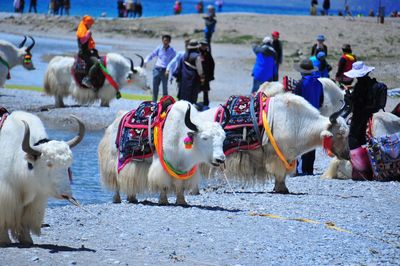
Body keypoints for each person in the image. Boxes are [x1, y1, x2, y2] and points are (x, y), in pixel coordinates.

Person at [343, 61, 376, 179]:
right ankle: (367, 164)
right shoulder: (370, 82)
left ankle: (358, 167)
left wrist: (347, 95)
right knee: (363, 138)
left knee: (353, 137)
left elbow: (354, 99)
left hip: (359, 114)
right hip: (368, 113)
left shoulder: (360, 84)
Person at [294, 59, 324, 176]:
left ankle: (300, 169)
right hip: (315, 116)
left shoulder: (301, 84)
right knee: (312, 142)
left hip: (303, 117)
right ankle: (309, 168)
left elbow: (297, 101)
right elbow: (321, 100)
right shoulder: (319, 83)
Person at [144, 35, 176, 102]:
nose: (165, 42)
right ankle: (154, 103)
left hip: (165, 71)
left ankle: (165, 104)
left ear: (169, 41)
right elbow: (152, 55)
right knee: (155, 88)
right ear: (162, 41)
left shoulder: (172, 51)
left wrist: (172, 75)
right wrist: (146, 60)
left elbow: (173, 63)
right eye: (164, 40)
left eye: (167, 40)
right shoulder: (159, 48)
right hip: (157, 69)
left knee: (165, 89)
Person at [76, 15, 100, 89]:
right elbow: (82, 41)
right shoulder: (82, 30)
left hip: (89, 52)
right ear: (86, 23)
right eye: (90, 24)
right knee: (97, 63)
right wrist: (87, 35)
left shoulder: (85, 29)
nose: (91, 25)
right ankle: (87, 79)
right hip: (84, 53)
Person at [198, 39, 215, 108]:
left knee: (206, 90)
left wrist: (211, 75)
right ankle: (193, 102)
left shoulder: (207, 54)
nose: (203, 46)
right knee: (196, 89)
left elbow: (212, 65)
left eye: (205, 45)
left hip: (206, 75)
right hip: (197, 75)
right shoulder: (197, 52)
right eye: (202, 45)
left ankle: (206, 104)